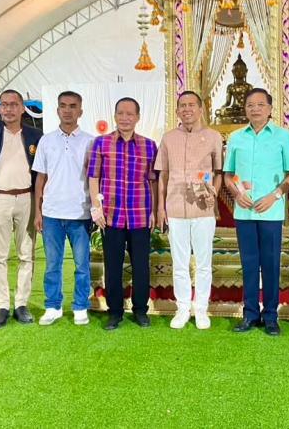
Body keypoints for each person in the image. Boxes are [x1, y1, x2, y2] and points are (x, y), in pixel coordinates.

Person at [224, 88, 289, 336]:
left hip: (271, 212)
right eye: (250, 105)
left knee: (270, 264)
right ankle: (250, 314)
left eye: (260, 105)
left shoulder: (283, 136)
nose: (255, 109)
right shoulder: (236, 137)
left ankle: (271, 316)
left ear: (270, 108)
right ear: (245, 109)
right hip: (244, 212)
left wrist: (274, 196)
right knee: (248, 264)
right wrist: (237, 194)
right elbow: (228, 175)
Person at [0, 89, 42, 328]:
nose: (9, 109)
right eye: (4, 104)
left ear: (23, 108)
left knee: (26, 254)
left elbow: (41, 170)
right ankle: (2, 306)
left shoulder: (35, 135)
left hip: (27, 199)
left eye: (14, 104)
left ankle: (21, 304)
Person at [88, 97, 157, 331]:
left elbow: (153, 181)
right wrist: (96, 208)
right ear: (115, 115)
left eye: (130, 114)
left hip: (140, 215)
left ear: (138, 117)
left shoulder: (149, 146)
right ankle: (114, 312)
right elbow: (94, 177)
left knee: (141, 266)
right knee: (113, 266)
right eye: (120, 113)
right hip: (111, 216)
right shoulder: (101, 143)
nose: (125, 118)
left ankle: (140, 310)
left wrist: (154, 211)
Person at [155, 91, 223, 330]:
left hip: (203, 209)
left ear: (201, 109)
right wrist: (161, 207)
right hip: (175, 208)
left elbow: (219, 173)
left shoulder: (213, 137)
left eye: (191, 105)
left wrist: (214, 192)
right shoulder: (168, 138)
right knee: (179, 262)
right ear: (177, 111)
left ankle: (201, 309)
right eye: (182, 105)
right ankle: (183, 308)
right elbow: (162, 175)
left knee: (204, 262)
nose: (187, 109)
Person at [32, 91, 94, 326]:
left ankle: (80, 306)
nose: (68, 110)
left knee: (82, 265)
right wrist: (38, 212)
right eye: (63, 106)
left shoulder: (90, 141)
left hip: (80, 214)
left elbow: (95, 179)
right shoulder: (46, 141)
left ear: (80, 111)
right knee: (52, 265)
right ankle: (53, 306)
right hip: (51, 214)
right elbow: (40, 179)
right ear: (57, 110)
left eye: (73, 106)